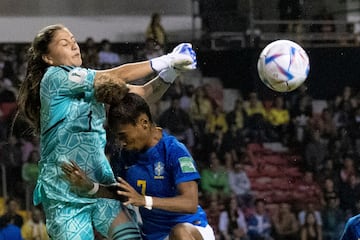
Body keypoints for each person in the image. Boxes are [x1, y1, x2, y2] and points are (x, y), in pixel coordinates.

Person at [16, 23, 196, 240]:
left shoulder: (88, 85)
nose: (74, 46)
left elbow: (141, 95)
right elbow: (116, 75)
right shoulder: (54, 78)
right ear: (48, 58)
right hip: (65, 192)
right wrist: (166, 60)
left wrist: (172, 71)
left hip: (101, 184)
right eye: (64, 43)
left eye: (74, 41)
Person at [62, 92, 215, 240]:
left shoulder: (174, 151)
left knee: (180, 233)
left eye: (123, 135)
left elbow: (190, 203)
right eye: (117, 137)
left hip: (190, 229)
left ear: (144, 123)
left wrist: (145, 200)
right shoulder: (125, 154)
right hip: (153, 236)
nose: (121, 142)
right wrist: (90, 186)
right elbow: (124, 194)